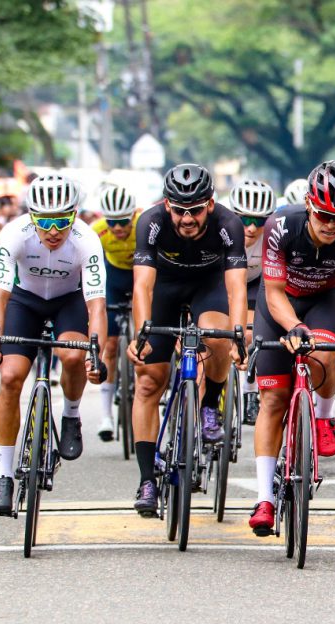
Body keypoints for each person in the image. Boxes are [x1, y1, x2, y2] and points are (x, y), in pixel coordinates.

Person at [247, 161, 335, 536]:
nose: (331, 224)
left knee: (323, 355)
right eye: (323, 215)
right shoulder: (281, 224)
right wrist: (294, 327)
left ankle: (322, 416)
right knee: (273, 399)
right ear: (308, 204)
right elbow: (272, 292)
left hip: (325, 300)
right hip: (280, 303)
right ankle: (264, 499)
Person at [0, 174, 108, 515]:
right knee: (10, 377)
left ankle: (71, 415)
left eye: (62, 221)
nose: (53, 230)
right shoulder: (13, 234)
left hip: (69, 302)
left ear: (74, 215)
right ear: (31, 216)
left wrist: (96, 354)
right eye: (44, 221)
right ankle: (4, 476)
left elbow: (96, 306)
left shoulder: (86, 239)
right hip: (25, 302)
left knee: (73, 355)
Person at [126, 163, 248, 517]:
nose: (187, 219)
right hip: (165, 287)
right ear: (167, 205)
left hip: (209, 286)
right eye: (179, 210)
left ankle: (209, 405)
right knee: (148, 382)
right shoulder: (150, 222)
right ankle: (147, 480)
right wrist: (142, 333)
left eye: (195, 210)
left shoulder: (229, 224)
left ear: (209, 204)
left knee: (217, 337)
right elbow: (142, 286)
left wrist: (238, 335)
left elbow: (236, 289)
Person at [92, 185, 139, 442]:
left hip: (141, 275)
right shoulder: (97, 231)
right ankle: (106, 416)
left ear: (133, 215)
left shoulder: (144, 225)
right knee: (109, 346)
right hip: (114, 280)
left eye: (123, 221)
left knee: (145, 338)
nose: (118, 228)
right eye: (112, 222)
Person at [228, 178, 277, 424]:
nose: (251, 228)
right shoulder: (222, 232)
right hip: (223, 282)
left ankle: (249, 392)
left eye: (259, 221)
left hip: (255, 285)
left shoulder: (271, 237)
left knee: (249, 334)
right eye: (245, 220)